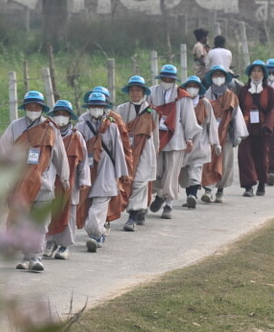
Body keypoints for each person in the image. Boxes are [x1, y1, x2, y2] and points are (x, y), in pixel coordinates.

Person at [0, 91, 71, 272]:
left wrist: (65, 176)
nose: (33, 109)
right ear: (25, 108)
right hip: (19, 184)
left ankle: (36, 257)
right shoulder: (15, 126)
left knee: (40, 223)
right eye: (30, 106)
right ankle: (25, 256)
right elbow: (2, 150)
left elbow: (60, 154)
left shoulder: (50, 128)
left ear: (42, 109)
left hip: (43, 183)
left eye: (36, 107)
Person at [75, 91, 128, 252]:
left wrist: (122, 173)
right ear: (89, 108)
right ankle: (98, 233)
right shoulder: (81, 126)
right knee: (86, 205)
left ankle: (95, 235)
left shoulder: (111, 126)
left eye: (99, 106)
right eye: (93, 106)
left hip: (106, 170)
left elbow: (118, 149)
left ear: (104, 108)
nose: (96, 109)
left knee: (98, 206)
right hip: (87, 169)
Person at [148, 65, 201, 219]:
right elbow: (147, 113)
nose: (167, 80)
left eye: (170, 78)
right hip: (156, 137)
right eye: (164, 78)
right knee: (156, 171)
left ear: (174, 79)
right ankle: (159, 195)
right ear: (160, 78)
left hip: (176, 138)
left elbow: (188, 119)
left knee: (172, 173)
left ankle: (168, 205)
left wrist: (189, 138)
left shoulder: (182, 96)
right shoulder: (152, 92)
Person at [44, 100, 88, 259]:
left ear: (70, 116)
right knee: (49, 211)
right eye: (58, 114)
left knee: (69, 214)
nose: (61, 117)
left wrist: (83, 180)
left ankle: (64, 246)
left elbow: (83, 162)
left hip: (71, 182)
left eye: (64, 114)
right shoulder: (47, 134)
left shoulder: (77, 137)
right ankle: (49, 242)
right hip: (50, 180)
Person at [116, 76, 158, 230]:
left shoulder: (151, 111)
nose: (135, 93)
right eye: (132, 90)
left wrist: (156, 150)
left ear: (143, 92)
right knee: (127, 181)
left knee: (140, 182)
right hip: (126, 151)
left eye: (138, 90)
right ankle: (139, 210)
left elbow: (155, 133)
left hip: (146, 149)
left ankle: (132, 216)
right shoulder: (121, 109)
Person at [201, 65, 246, 203]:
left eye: (221, 75)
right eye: (215, 75)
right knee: (208, 162)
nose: (218, 78)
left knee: (226, 162)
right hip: (209, 135)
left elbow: (236, 114)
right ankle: (208, 190)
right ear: (211, 78)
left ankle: (220, 190)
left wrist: (238, 134)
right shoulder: (205, 97)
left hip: (226, 134)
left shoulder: (231, 96)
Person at [178, 75, 219, 209]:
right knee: (184, 171)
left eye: (195, 86)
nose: (192, 89)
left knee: (196, 168)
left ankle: (193, 195)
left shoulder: (205, 103)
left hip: (201, 140)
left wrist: (215, 142)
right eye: (190, 86)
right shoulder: (181, 102)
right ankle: (189, 195)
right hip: (184, 140)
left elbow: (212, 123)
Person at [236, 60, 272, 196]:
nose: (256, 74)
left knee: (262, 156)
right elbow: (238, 109)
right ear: (250, 73)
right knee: (244, 155)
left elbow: (271, 109)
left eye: (259, 71)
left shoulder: (269, 91)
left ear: (263, 74)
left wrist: (267, 125)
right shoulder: (243, 90)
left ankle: (262, 183)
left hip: (263, 128)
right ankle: (248, 186)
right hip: (246, 127)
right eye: (253, 71)